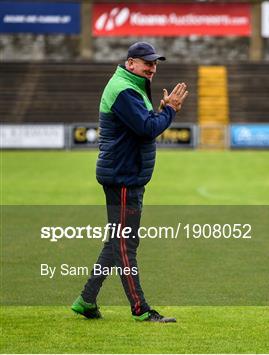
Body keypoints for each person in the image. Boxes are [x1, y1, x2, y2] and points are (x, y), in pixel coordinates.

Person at [71, 42, 189, 322]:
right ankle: (141, 309)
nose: (152, 68)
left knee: (117, 242)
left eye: (155, 63)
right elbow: (148, 128)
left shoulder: (130, 85)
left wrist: (161, 111)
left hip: (125, 174)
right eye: (147, 63)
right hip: (123, 177)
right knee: (126, 243)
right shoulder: (124, 89)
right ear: (131, 63)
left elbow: (144, 123)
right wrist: (169, 111)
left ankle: (86, 300)